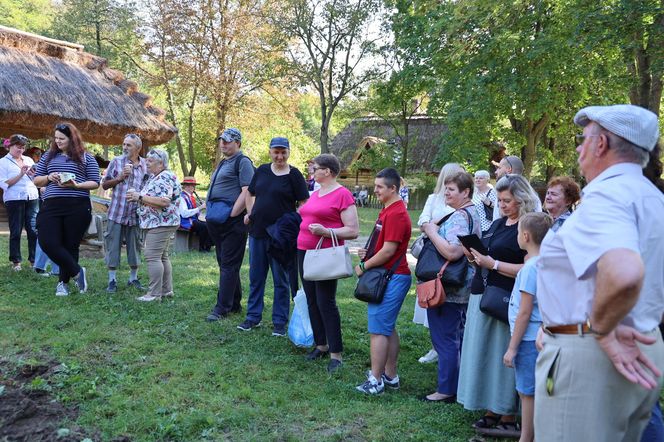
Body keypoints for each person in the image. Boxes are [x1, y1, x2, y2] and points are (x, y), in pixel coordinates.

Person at [535, 104, 664, 441]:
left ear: (601, 144)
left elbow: (624, 273)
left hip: (592, 353)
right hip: (642, 345)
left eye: (583, 138)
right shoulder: (651, 197)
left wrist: (602, 329)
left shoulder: (606, 195)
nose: (579, 147)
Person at [457, 174, 540, 438]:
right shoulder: (499, 223)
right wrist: (476, 257)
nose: (502, 205)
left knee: (503, 356)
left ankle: (507, 412)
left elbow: (532, 267)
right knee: (486, 355)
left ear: (522, 200)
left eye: (508, 201)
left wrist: (493, 264)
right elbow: (488, 255)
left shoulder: (528, 228)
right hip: (483, 293)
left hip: (506, 299)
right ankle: (492, 407)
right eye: (500, 200)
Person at [238, 137, 308, 336]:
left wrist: (293, 221)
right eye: (276, 152)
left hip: (281, 236)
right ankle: (253, 317)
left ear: (288, 152)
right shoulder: (261, 170)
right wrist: (250, 213)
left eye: (283, 152)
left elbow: (304, 203)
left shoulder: (294, 175)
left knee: (281, 279)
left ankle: (279, 321)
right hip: (258, 232)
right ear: (270, 152)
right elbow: (250, 193)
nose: (279, 156)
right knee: (256, 276)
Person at [420, 171, 481, 402]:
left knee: (445, 338)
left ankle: (446, 389)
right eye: (446, 188)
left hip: (450, 287)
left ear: (466, 192)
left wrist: (432, 232)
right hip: (465, 284)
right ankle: (461, 385)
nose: (446, 192)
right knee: (458, 336)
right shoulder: (473, 213)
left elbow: (452, 252)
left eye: (452, 189)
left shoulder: (458, 217)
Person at [297, 153, 359, 373]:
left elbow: (352, 230)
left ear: (329, 172)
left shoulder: (342, 194)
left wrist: (326, 231)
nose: (312, 171)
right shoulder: (316, 192)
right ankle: (321, 345)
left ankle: (336, 354)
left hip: (324, 255)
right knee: (312, 300)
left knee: (326, 302)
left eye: (316, 168)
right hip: (304, 251)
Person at [354, 168, 412, 394]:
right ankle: (390, 375)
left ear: (393, 188)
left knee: (378, 330)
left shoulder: (397, 213)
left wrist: (363, 266)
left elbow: (389, 251)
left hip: (392, 276)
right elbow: (382, 245)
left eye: (379, 187)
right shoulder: (388, 210)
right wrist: (367, 252)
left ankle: (376, 380)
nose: (374, 190)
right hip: (390, 275)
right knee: (386, 328)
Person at [33, 123, 100, 296]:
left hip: (77, 205)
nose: (58, 141)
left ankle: (63, 284)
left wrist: (76, 185)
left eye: (62, 138)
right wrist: (49, 177)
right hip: (51, 205)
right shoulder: (48, 156)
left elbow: (95, 182)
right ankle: (78, 271)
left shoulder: (86, 157)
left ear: (72, 139)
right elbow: (36, 180)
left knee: (70, 245)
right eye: (56, 138)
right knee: (47, 241)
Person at [502, 212, 552, 442]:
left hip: (528, 339)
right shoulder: (547, 263)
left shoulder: (529, 269)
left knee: (527, 392)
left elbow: (524, 312)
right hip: (543, 337)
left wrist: (512, 348)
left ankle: (526, 437)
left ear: (525, 236)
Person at [414, 162, 464, 363]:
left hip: (453, 256)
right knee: (432, 297)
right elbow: (422, 222)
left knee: (452, 305)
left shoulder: (465, 201)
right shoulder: (434, 199)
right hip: (434, 257)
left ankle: (450, 350)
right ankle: (437, 346)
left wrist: (432, 228)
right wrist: (432, 228)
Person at [205, 128, 255, 321]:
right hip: (217, 220)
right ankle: (234, 303)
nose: (223, 143)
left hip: (232, 222)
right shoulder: (224, 162)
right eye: (222, 140)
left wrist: (233, 214)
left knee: (228, 265)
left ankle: (221, 308)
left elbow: (248, 190)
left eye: (228, 141)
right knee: (225, 264)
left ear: (238, 143)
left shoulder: (243, 162)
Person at [126, 149, 181, 302]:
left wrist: (140, 197)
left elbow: (164, 201)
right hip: (162, 222)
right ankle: (166, 290)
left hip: (162, 222)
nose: (146, 163)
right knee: (162, 256)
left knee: (152, 256)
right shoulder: (157, 176)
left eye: (150, 161)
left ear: (161, 163)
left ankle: (154, 294)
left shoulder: (164, 177)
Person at [101, 134, 148, 293]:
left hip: (135, 214)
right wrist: (120, 177)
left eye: (129, 145)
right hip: (117, 212)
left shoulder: (145, 165)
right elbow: (105, 185)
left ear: (138, 148)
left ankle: (133, 278)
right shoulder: (116, 162)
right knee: (113, 246)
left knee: (135, 246)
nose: (125, 147)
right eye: (124, 144)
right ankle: (112, 280)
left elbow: (147, 188)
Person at [0, 134, 39, 271]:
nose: (21, 150)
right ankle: (16, 262)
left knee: (33, 230)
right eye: (18, 147)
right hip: (14, 198)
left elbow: (36, 178)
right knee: (16, 230)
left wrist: (33, 173)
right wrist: (21, 174)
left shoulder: (28, 159)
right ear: (10, 146)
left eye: (23, 147)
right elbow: (4, 184)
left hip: (32, 196)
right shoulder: (3, 162)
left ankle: (34, 261)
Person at [491, 155, 541, 220]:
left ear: (509, 169)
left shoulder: (528, 196)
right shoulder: (532, 195)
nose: (496, 172)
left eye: (499, 168)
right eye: (500, 200)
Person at [178, 176, 213, 252]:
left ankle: (208, 246)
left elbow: (194, 210)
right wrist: (200, 208)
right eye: (192, 185)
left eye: (194, 185)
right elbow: (184, 214)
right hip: (184, 221)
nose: (194, 187)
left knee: (210, 224)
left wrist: (201, 206)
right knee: (203, 226)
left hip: (192, 219)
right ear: (186, 186)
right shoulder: (182, 197)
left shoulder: (190, 197)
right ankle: (202, 247)